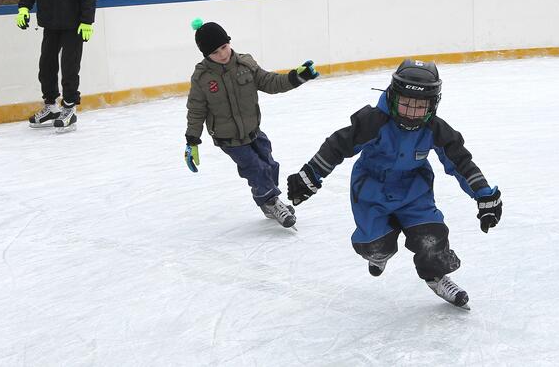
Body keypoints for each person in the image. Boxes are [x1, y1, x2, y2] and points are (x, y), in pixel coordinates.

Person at [287, 59, 503, 309]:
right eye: (406, 103)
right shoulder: (373, 121)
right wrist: (310, 174)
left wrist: (484, 195)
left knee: (432, 237)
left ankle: (436, 276)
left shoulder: (435, 129)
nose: (411, 113)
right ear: (392, 96)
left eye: (420, 106)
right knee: (375, 246)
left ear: (433, 104)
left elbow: (460, 162)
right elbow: (337, 145)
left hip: (415, 193)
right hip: (371, 191)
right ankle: (379, 254)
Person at [184, 19, 320, 228]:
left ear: (229, 42)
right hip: (228, 138)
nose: (222, 54)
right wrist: (192, 141)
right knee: (256, 169)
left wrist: (296, 78)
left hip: (253, 130)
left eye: (224, 47)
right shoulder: (202, 77)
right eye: (215, 52)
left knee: (270, 165)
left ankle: (268, 200)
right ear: (205, 55)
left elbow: (270, 82)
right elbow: (196, 110)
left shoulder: (245, 64)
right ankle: (272, 201)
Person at [16, 0, 96, 132]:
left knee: (69, 67)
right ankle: (51, 106)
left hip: (73, 25)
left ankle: (69, 108)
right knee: (46, 66)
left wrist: (87, 21)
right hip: (50, 23)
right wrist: (24, 8)